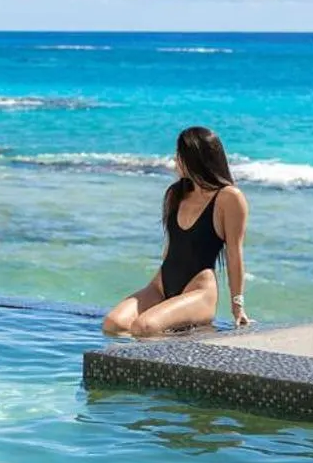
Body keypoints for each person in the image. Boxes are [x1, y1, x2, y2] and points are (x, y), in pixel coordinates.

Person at [102, 126, 250, 338]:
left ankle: (187, 345)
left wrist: (238, 306)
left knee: (144, 327)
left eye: (179, 155)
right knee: (113, 324)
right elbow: (171, 246)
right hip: (162, 284)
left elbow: (234, 253)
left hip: (199, 291)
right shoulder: (176, 193)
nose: (174, 160)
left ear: (194, 158)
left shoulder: (229, 198)